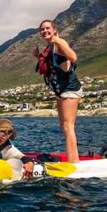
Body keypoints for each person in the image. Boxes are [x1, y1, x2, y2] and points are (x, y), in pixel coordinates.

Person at [32, 20, 83, 163]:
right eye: (42, 29)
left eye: (47, 28)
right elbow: (48, 65)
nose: (44, 31)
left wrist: (58, 42)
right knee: (64, 126)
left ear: (54, 30)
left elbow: (73, 57)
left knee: (68, 126)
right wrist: (37, 56)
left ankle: (74, 162)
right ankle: (73, 157)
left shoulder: (59, 43)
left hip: (69, 89)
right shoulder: (50, 46)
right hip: (60, 91)